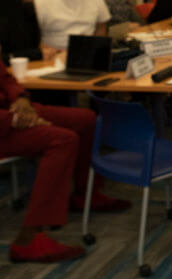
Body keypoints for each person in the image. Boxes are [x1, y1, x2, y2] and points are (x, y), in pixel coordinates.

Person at [0, 56, 130, 262]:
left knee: (86, 119)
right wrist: (15, 119)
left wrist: (21, 99)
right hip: (4, 123)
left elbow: (5, 78)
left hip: (11, 110)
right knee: (63, 140)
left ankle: (85, 193)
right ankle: (30, 237)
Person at [0, 0, 60, 64]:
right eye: (27, 0)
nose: (31, 4)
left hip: (34, 67)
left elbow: (35, 45)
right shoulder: (3, 25)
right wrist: (36, 54)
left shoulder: (30, 18)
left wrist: (52, 50)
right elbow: (4, 58)